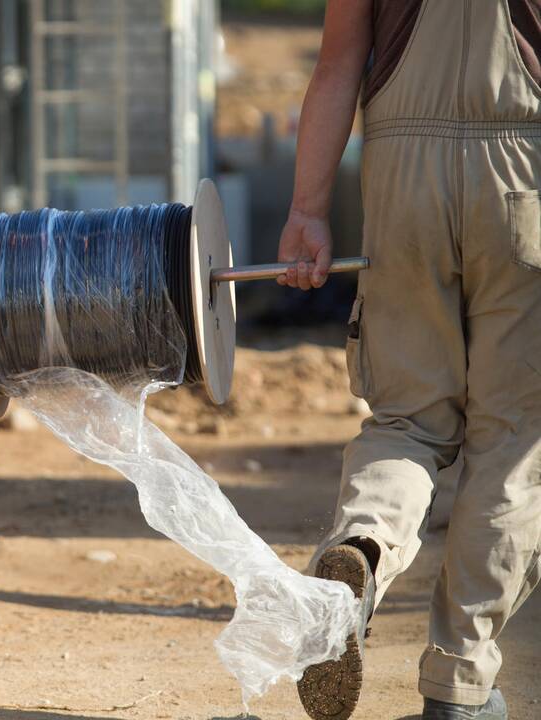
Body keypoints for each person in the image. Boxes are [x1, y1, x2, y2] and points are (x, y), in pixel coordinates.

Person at [279, 1, 541, 719]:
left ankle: (358, 557)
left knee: (405, 420)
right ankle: (458, 687)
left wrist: (308, 210)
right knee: (515, 442)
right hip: (528, 172)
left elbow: (338, 62)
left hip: (402, 175)